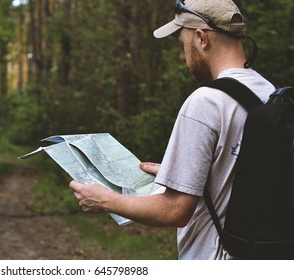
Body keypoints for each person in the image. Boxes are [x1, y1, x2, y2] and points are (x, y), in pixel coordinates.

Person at [69, 0, 276, 260]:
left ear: (201, 38)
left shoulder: (206, 101)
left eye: (182, 44)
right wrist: (180, 173)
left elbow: (176, 211)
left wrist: (105, 200)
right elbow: (240, 174)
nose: (181, 56)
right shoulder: (270, 92)